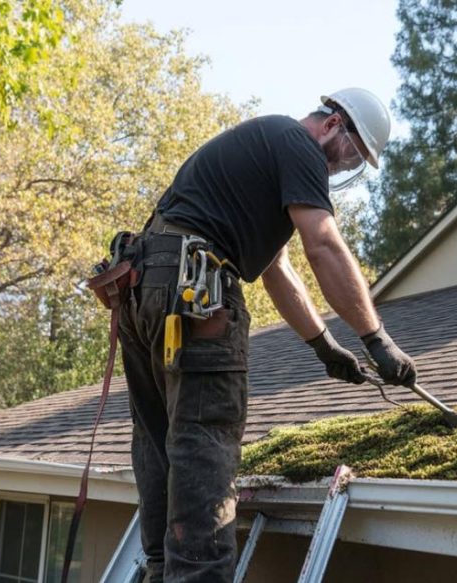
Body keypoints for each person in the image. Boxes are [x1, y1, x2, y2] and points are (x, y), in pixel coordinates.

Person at [117, 88, 418, 582]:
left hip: (145, 287)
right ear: (332, 124)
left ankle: (158, 569)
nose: (341, 169)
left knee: (158, 439)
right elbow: (322, 244)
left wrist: (324, 346)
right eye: (349, 154)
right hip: (195, 292)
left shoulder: (261, 149)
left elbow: (278, 269)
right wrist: (376, 338)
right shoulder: (298, 144)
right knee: (203, 440)